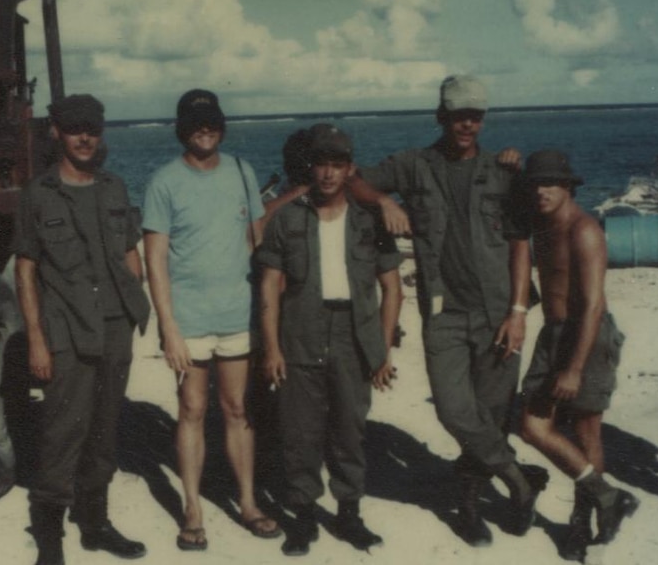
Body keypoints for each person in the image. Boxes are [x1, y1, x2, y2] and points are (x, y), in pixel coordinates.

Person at [349, 75, 548, 546]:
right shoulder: (413, 166)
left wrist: (519, 310)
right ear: (442, 116)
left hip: (500, 313)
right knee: (456, 412)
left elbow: (522, 243)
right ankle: (519, 480)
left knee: (492, 416)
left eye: (475, 116)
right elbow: (353, 180)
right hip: (444, 315)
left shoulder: (503, 172)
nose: (468, 124)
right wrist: (382, 201)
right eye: (459, 115)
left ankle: (471, 507)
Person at [13, 94, 151, 565]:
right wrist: (36, 338)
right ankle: (50, 537)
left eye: (92, 127)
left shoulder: (114, 188)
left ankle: (95, 524)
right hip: (67, 330)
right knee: (62, 431)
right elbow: (26, 269)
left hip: (115, 328)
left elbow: (131, 251)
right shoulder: (39, 194)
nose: (85, 137)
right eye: (75, 128)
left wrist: (137, 302)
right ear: (56, 132)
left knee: (105, 431)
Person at [142, 88, 280, 551]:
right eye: (197, 122)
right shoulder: (164, 181)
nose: (206, 129)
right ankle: (193, 510)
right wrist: (169, 329)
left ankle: (247, 502)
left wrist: (267, 319)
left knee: (238, 409)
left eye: (213, 121)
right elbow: (155, 259)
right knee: (191, 409)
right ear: (183, 128)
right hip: (189, 320)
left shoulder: (243, 172)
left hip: (238, 316)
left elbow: (258, 245)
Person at [258, 124, 403, 556]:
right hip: (300, 329)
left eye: (337, 165)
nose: (327, 174)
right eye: (321, 164)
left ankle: (349, 515)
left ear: (350, 170)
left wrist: (381, 349)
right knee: (299, 430)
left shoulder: (369, 221)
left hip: (353, 334)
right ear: (311, 169)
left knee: (349, 429)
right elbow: (268, 286)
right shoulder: (287, 218)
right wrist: (271, 348)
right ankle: (302, 516)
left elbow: (392, 288)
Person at [518, 150, 638, 561]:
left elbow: (590, 305)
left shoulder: (584, 230)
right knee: (532, 426)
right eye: (534, 183)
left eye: (550, 182)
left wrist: (572, 367)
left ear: (569, 186)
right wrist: (504, 166)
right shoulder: (541, 224)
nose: (541, 190)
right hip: (552, 334)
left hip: (586, 336)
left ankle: (581, 524)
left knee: (587, 432)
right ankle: (608, 497)